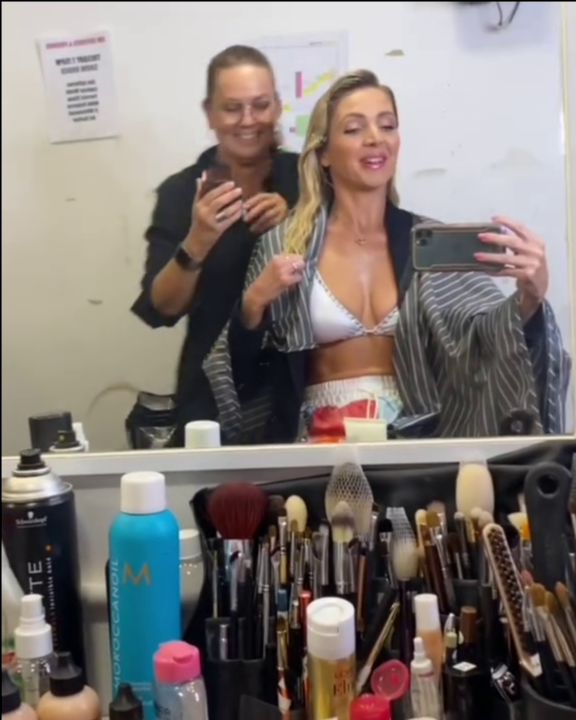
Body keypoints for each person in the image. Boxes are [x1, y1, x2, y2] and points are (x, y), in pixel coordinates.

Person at [203, 70, 571, 444]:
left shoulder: (429, 243)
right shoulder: (285, 244)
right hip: (319, 441)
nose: (375, 138)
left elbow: (483, 345)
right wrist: (253, 305)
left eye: (387, 126)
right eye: (354, 129)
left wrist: (529, 298)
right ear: (324, 152)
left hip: (416, 440)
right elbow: (244, 379)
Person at [131, 45, 300, 442]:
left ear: (278, 106)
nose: (248, 120)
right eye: (232, 108)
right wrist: (198, 240)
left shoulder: (307, 177)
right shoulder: (181, 192)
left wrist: (297, 221)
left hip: (299, 382)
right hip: (214, 393)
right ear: (209, 113)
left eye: (260, 105)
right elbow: (161, 309)